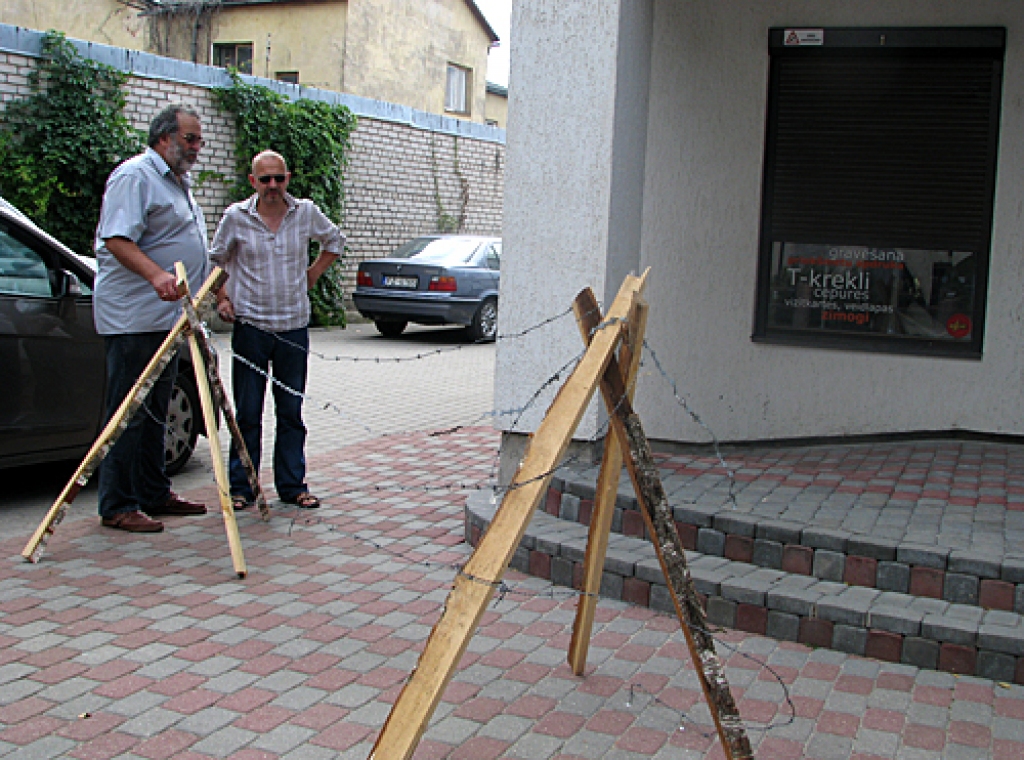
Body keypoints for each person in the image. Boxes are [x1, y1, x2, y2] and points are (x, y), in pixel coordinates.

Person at [93, 103, 210, 533]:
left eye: (199, 139)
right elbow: (117, 240)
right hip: (134, 318)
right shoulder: (134, 177)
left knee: (158, 408)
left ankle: (153, 491)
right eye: (190, 139)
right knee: (130, 412)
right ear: (164, 137)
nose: (197, 147)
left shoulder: (178, 182)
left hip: (168, 318)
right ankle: (118, 504)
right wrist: (156, 275)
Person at [211, 150, 343, 510]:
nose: (273, 186)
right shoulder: (236, 217)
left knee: (290, 412)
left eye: (279, 178)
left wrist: (313, 274)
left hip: (292, 328)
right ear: (253, 181)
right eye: (265, 179)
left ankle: (292, 485)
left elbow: (335, 241)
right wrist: (222, 298)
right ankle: (243, 487)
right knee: (248, 412)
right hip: (251, 327)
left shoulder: (305, 212)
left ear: (287, 179)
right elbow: (216, 261)